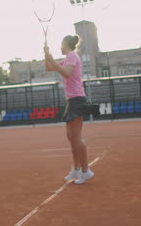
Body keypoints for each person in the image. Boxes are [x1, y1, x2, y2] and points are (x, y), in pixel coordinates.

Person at [44, 35, 94, 184]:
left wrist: (52, 59)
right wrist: (46, 54)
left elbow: (66, 72)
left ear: (66, 44)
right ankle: (76, 168)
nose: (60, 46)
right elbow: (49, 68)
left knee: (77, 138)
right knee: (71, 137)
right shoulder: (67, 58)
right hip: (72, 100)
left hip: (77, 99)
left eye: (61, 43)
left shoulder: (72, 55)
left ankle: (86, 171)